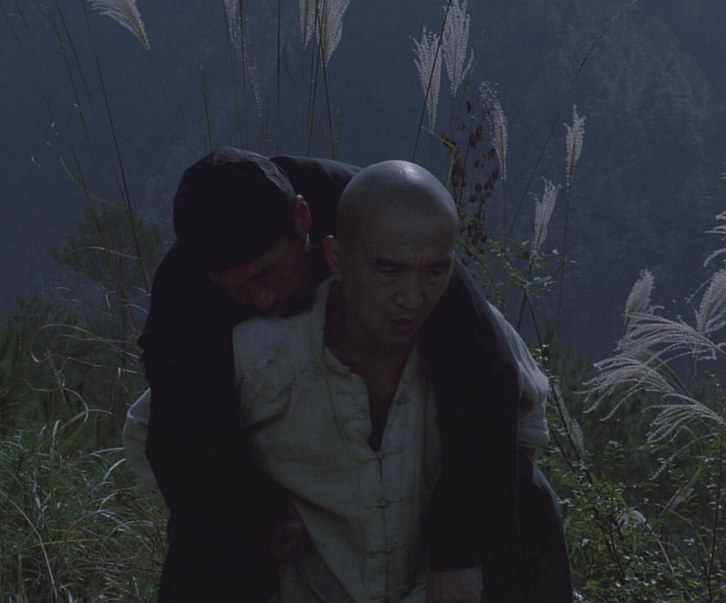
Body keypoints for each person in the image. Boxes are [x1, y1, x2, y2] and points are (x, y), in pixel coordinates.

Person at [135, 148, 572, 602]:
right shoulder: (188, 284)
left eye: (267, 274)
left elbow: (486, 370)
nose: (261, 300)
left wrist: (459, 554)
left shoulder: (388, 219)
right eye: (236, 289)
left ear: (305, 220)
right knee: (205, 543)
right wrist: (249, 505)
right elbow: (175, 435)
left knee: (525, 495)